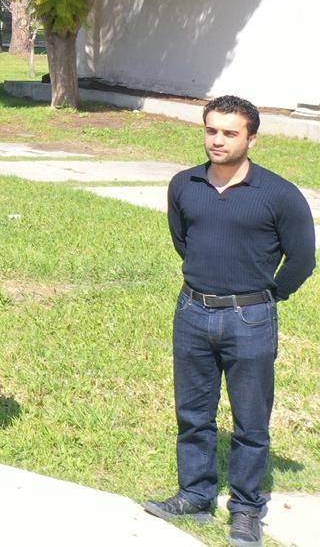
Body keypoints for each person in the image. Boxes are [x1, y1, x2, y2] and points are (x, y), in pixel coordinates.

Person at [144, 95, 315, 547]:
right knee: (193, 414)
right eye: (211, 130)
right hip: (192, 312)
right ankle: (195, 496)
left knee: (251, 422)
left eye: (229, 133)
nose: (217, 140)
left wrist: (265, 298)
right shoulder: (184, 184)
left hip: (251, 319)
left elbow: (302, 260)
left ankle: (245, 509)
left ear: (251, 139)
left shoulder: (279, 194)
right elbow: (184, 241)